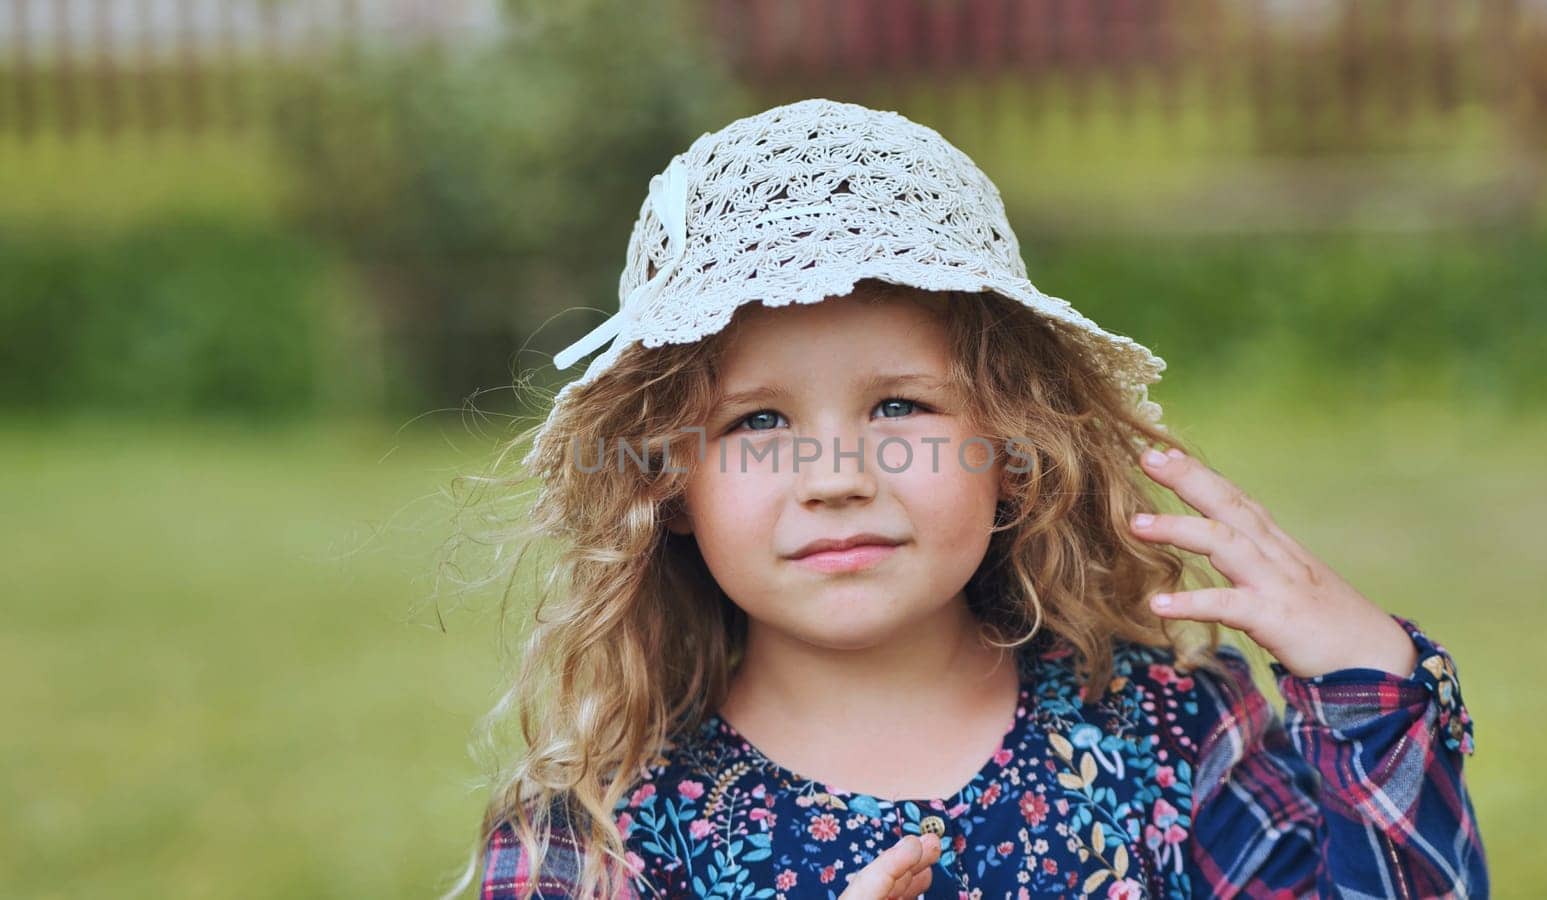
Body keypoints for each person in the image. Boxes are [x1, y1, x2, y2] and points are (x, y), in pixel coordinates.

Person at [454, 99, 1486, 900]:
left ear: (1013, 442)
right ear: (666, 483)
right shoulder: (602, 835)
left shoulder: (1170, 738)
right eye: (757, 423)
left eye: (900, 406)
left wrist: (1368, 687)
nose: (836, 476)